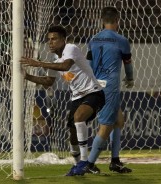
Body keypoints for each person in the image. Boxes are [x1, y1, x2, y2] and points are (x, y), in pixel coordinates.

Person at [20, 25, 105, 176]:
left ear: (63, 39)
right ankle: (78, 164)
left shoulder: (71, 48)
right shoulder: (54, 60)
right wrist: (26, 76)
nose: (50, 43)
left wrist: (39, 63)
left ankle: (85, 162)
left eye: (54, 39)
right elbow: (48, 81)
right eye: (48, 40)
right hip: (77, 97)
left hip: (94, 92)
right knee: (72, 132)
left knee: (79, 118)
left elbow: (65, 65)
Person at [73, 6, 134, 175]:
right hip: (110, 86)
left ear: (102, 21)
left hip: (95, 85)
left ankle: (115, 161)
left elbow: (89, 64)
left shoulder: (93, 39)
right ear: (117, 21)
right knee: (106, 126)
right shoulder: (122, 40)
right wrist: (130, 79)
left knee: (118, 121)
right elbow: (128, 65)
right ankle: (89, 163)